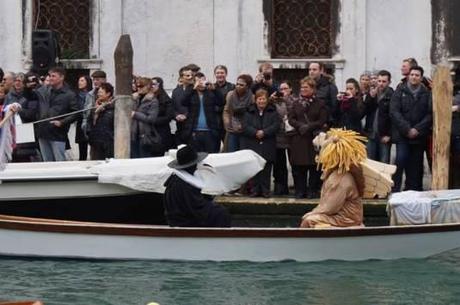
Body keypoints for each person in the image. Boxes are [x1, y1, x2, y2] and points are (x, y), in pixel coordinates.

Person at [300, 128, 366, 228]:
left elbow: (331, 208)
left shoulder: (339, 179)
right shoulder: (338, 173)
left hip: (345, 219)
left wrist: (313, 213)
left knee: (309, 220)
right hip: (343, 216)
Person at [163, 145, 231, 227]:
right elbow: (195, 207)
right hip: (184, 220)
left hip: (180, 216)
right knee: (221, 213)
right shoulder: (182, 184)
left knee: (217, 209)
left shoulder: (177, 179)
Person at [390, 66, 432, 192]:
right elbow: (394, 112)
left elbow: (430, 114)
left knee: (416, 165)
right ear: (408, 76)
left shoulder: (426, 94)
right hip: (403, 135)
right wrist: (407, 129)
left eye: (417, 75)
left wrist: (417, 129)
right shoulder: (400, 91)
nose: (414, 77)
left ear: (421, 78)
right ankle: (395, 189)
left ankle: (414, 190)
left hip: (419, 136)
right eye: (412, 74)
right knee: (401, 160)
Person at [288, 77, 328, 199]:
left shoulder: (320, 104)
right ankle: (300, 190)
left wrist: (309, 126)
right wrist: (300, 126)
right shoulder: (296, 103)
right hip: (299, 138)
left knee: (314, 167)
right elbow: (291, 119)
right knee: (299, 167)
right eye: (302, 87)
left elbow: (322, 120)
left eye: (306, 87)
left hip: (313, 139)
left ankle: (312, 190)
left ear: (313, 89)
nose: (303, 89)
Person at [240, 89, 280, 197]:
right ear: (256, 100)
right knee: (254, 168)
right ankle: (255, 190)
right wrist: (255, 132)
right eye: (259, 99)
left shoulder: (273, 111)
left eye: (263, 99)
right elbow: (245, 126)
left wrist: (264, 132)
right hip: (253, 142)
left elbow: (276, 125)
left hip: (268, 142)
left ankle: (266, 190)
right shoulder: (249, 111)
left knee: (266, 169)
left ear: (267, 100)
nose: (261, 101)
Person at [35, 66, 79, 162]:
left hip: (58, 133)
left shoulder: (69, 94)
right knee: (47, 163)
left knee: (59, 163)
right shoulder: (44, 91)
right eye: (49, 76)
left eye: (53, 76)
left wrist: (62, 122)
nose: (50, 78)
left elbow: (76, 113)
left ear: (62, 77)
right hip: (43, 131)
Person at [181, 72, 224, 153]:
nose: (201, 84)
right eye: (198, 81)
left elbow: (221, 102)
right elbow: (183, 102)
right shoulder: (191, 93)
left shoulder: (210, 92)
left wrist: (214, 89)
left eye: (203, 81)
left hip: (210, 131)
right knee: (195, 157)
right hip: (194, 130)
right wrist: (193, 88)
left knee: (211, 156)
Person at [363, 70, 394, 163]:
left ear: (389, 82)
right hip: (371, 134)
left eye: (384, 81)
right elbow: (365, 110)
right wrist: (371, 97)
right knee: (370, 163)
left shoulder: (392, 95)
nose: (381, 84)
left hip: (384, 136)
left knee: (384, 164)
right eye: (379, 81)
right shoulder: (372, 93)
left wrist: (390, 135)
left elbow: (394, 117)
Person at [222, 74, 254, 152]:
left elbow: (252, 115)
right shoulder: (230, 94)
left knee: (243, 154)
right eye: (237, 84)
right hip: (232, 129)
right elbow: (226, 111)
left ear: (247, 86)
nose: (238, 86)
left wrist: (244, 125)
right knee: (231, 153)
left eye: (241, 85)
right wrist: (227, 123)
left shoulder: (252, 98)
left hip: (245, 130)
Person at [131, 77, 160, 158]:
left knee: (144, 159)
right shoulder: (135, 98)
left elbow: (151, 118)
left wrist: (135, 114)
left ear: (148, 86)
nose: (139, 88)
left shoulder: (153, 101)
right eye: (138, 86)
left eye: (141, 86)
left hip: (145, 135)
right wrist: (132, 99)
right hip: (133, 134)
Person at [88, 82, 115, 160]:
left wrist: (104, 109)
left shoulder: (113, 107)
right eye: (98, 92)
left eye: (101, 92)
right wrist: (95, 112)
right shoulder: (95, 106)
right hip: (96, 141)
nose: (98, 94)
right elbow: (91, 122)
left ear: (108, 94)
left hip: (108, 142)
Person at [152, 77, 175, 154]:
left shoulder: (165, 99)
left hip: (161, 132)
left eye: (154, 84)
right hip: (150, 132)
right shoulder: (149, 97)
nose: (152, 86)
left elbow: (168, 117)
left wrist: (152, 120)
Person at [82, 70, 107, 138]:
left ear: (104, 80)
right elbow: (85, 111)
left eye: (97, 80)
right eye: (94, 80)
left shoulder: (109, 93)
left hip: (104, 127)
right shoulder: (90, 94)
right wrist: (84, 125)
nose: (95, 82)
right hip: (91, 127)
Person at [75, 75, 92, 160]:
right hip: (80, 121)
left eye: (82, 80)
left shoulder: (91, 94)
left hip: (89, 121)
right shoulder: (77, 95)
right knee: (82, 148)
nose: (79, 82)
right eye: (79, 80)